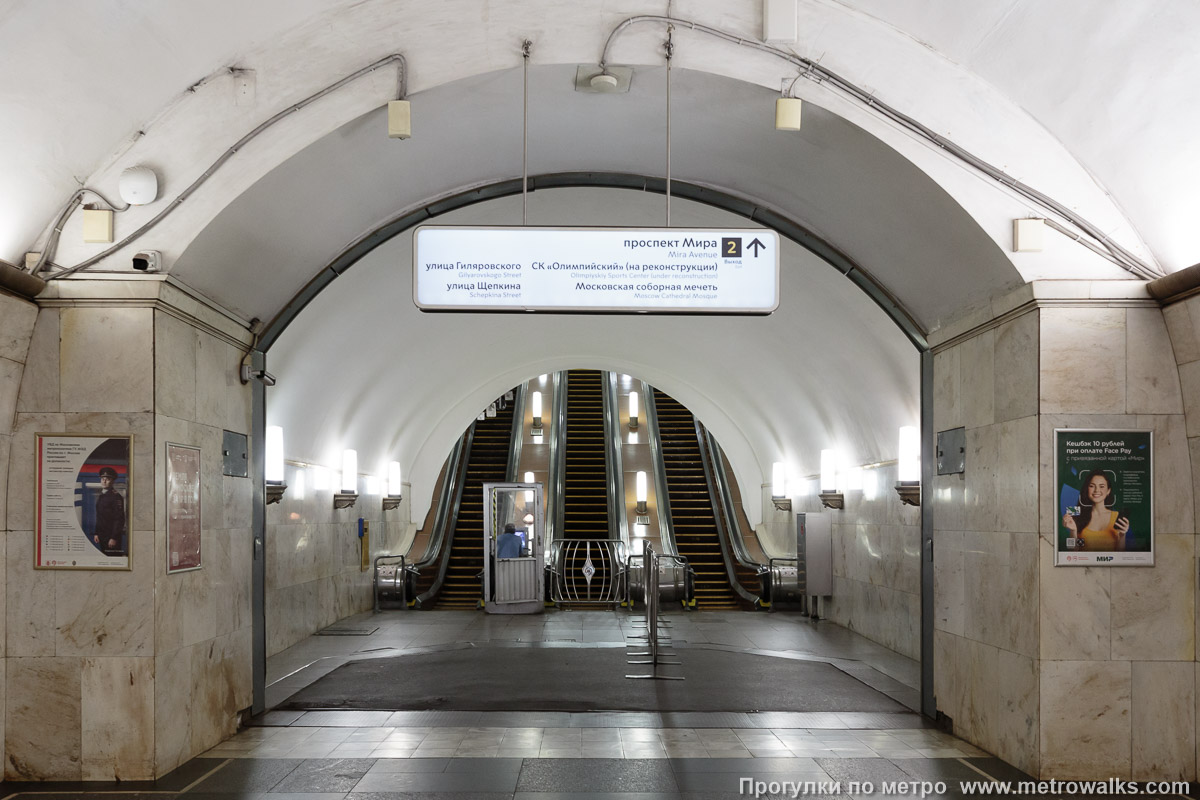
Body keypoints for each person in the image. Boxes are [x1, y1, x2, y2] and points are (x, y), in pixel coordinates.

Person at [1062, 469, 1129, 551]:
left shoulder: (1117, 517)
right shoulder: (1078, 516)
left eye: (1102, 486)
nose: (1097, 490)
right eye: (1092, 486)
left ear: (1108, 491)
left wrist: (1122, 536)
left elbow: (1120, 555)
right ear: (1087, 489)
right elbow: (1073, 552)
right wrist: (1073, 531)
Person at [93, 466, 126, 556]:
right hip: (101, 536)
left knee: (113, 558)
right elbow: (99, 516)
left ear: (112, 481)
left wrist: (114, 537)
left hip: (111, 537)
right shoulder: (101, 496)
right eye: (102, 479)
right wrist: (96, 533)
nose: (104, 481)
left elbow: (119, 519)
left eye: (107, 479)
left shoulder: (116, 497)